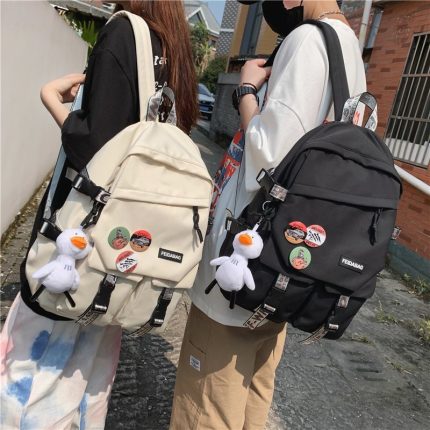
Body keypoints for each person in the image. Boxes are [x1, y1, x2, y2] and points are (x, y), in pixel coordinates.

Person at [0, 1, 198, 428]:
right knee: (87, 376)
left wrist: (52, 100)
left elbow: (96, 147)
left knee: (32, 377)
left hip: (77, 247)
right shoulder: (174, 44)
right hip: (122, 257)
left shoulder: (123, 31)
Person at [170, 0, 366, 429]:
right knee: (254, 388)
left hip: (243, 260)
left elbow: (271, 157)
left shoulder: (307, 41)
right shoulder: (349, 47)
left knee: (207, 401)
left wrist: (246, 91)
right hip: (284, 259)